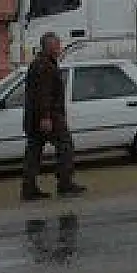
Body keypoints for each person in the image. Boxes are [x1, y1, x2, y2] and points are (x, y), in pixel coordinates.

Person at [21, 32, 87, 201]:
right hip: (48, 117)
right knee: (65, 146)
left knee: (34, 152)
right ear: (49, 47)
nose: (60, 49)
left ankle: (29, 188)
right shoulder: (46, 66)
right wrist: (46, 117)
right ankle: (65, 184)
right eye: (57, 46)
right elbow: (44, 94)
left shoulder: (38, 63)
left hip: (34, 117)